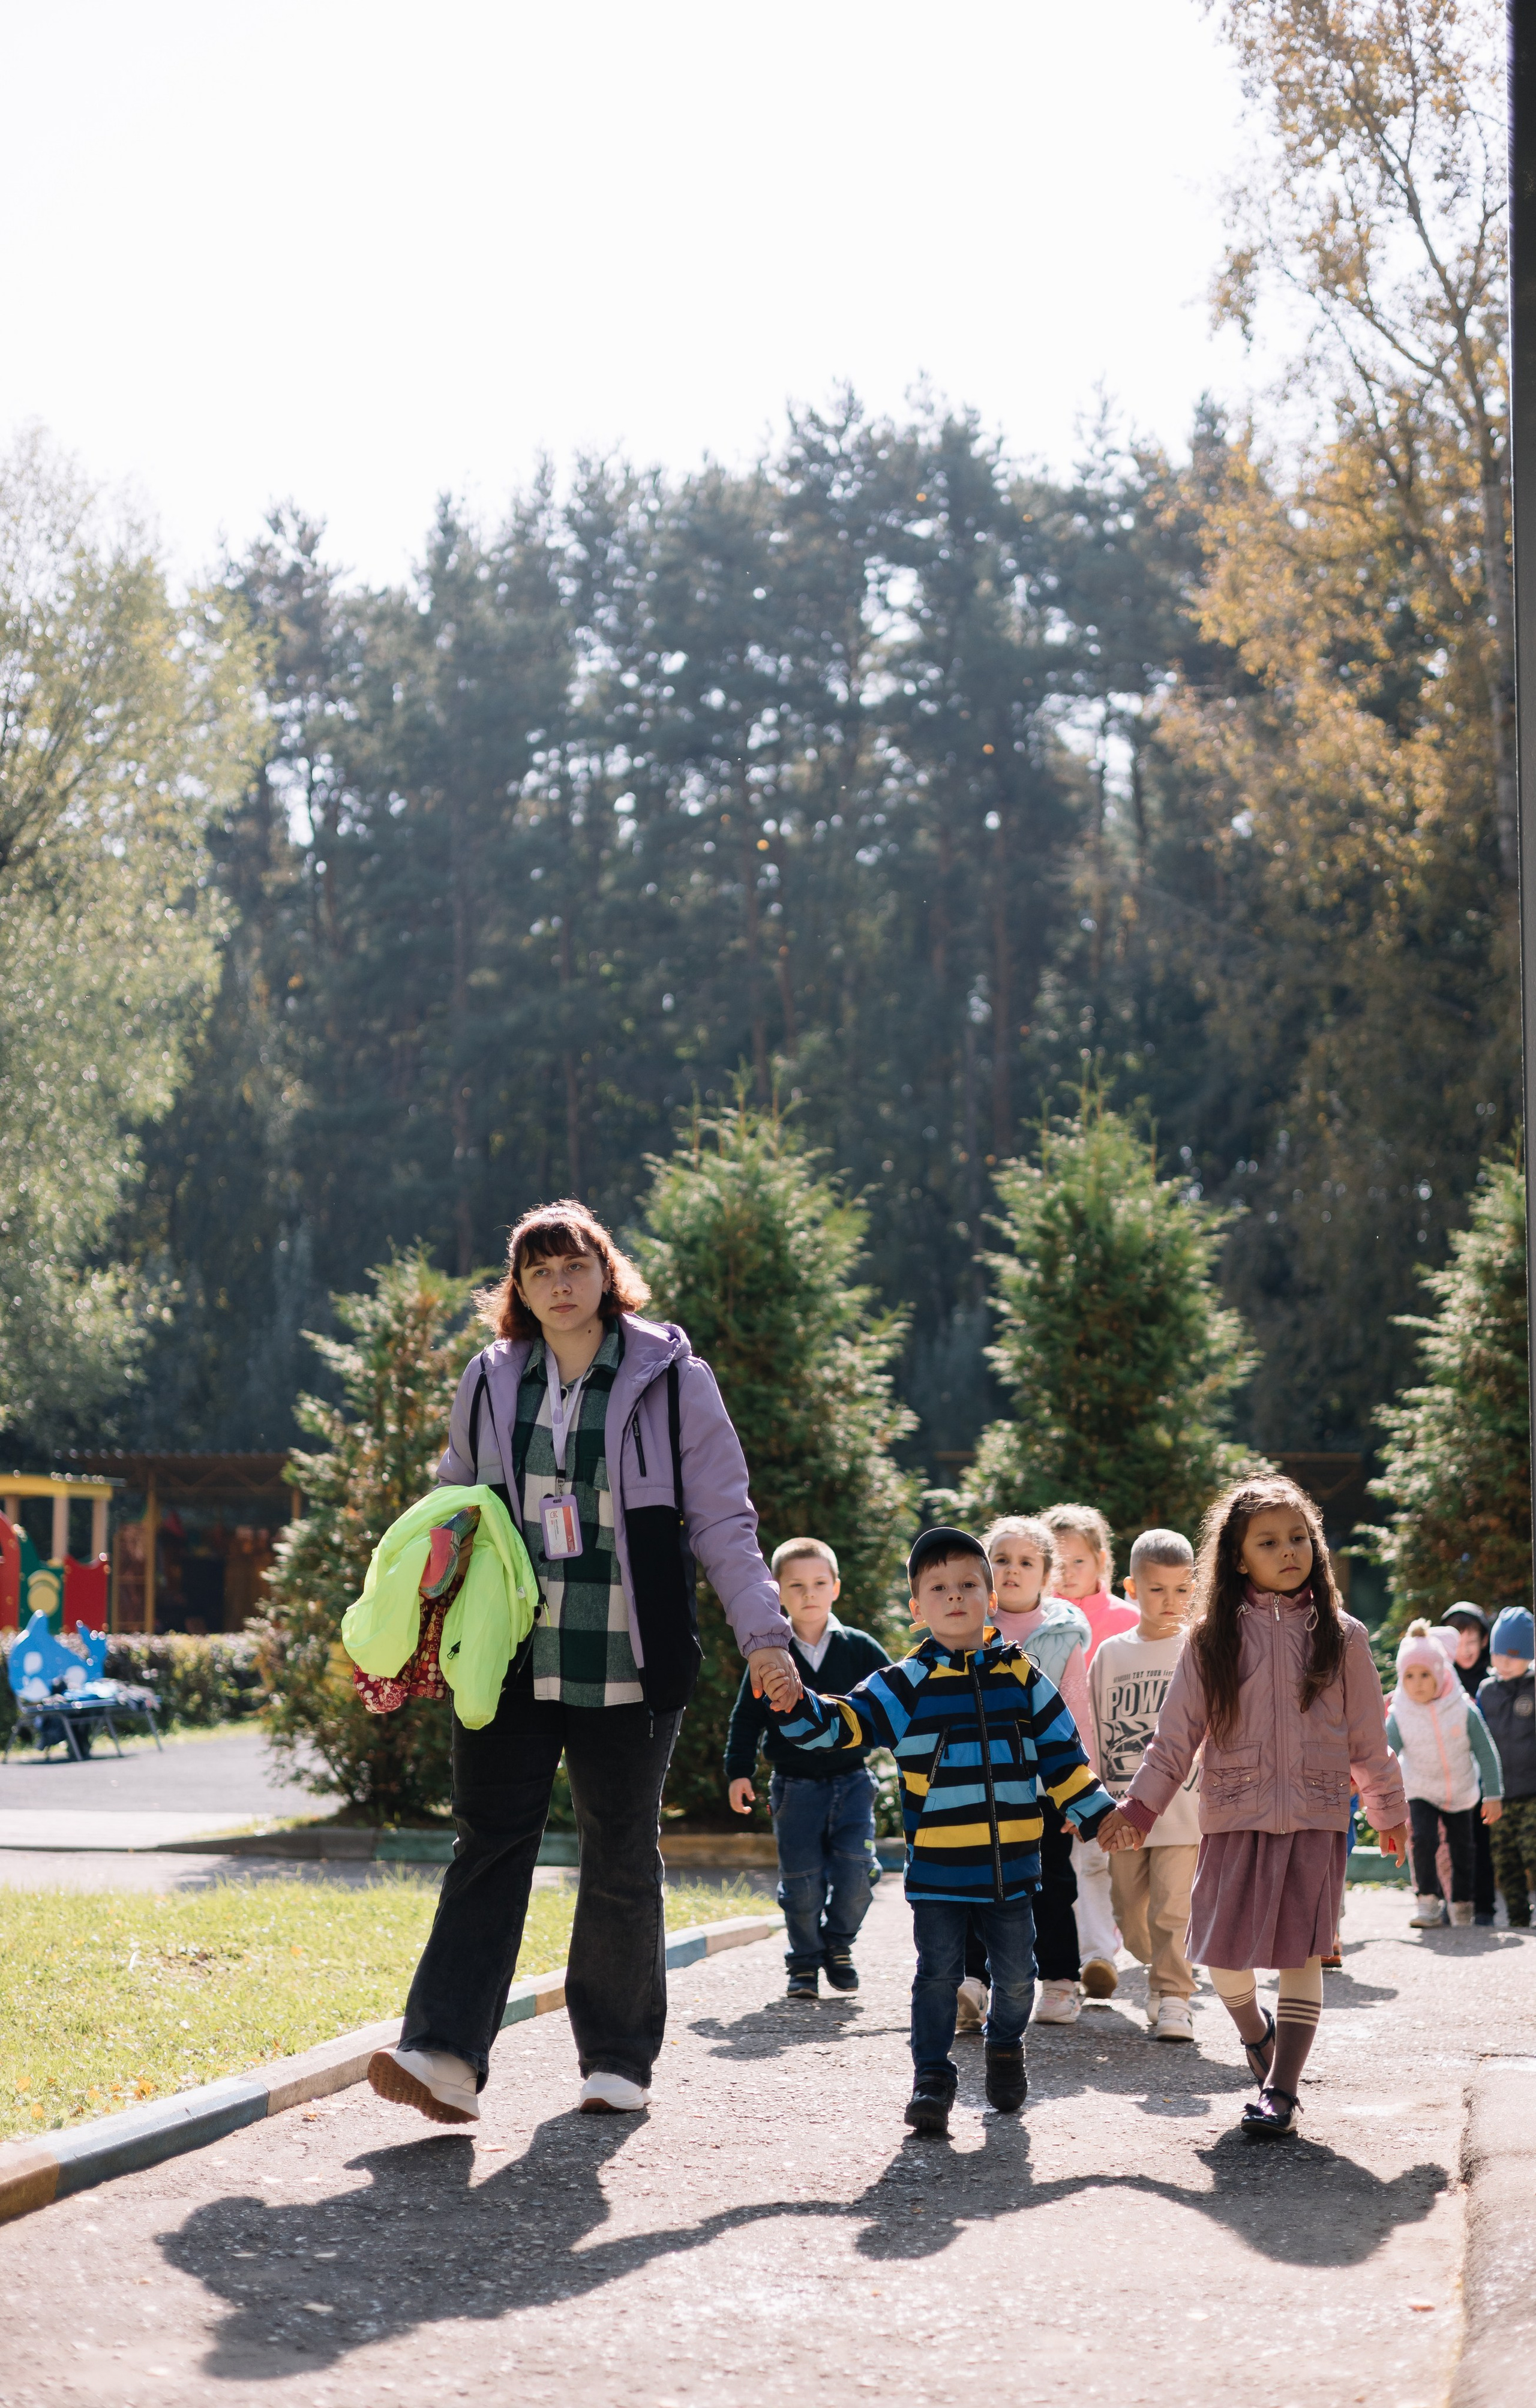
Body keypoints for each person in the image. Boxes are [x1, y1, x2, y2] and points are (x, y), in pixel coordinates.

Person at [369, 1199, 802, 2126]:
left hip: (630, 1655)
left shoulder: (673, 1378)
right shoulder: (491, 1379)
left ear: (607, 1275)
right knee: (490, 1841)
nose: (560, 1284)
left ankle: (615, 2059)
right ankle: (444, 2052)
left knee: (618, 1853)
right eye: (539, 1271)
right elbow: (460, 1494)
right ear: (518, 1290)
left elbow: (724, 1518)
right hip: (511, 1654)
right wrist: (428, 1573)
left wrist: (765, 1637)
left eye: (576, 1266)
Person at [766, 1526, 1130, 2137]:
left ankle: (1005, 2047)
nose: (955, 1595)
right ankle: (931, 2078)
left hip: (1014, 1868)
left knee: (1017, 1980)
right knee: (937, 1975)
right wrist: (797, 1704)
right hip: (938, 1871)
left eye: (968, 1584)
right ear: (916, 1609)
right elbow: (845, 1722)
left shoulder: (1022, 1678)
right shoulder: (905, 1684)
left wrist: (1100, 1815)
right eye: (938, 1587)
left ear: (990, 1598)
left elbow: (1063, 1757)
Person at [1114, 1476, 1407, 2140]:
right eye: (1269, 1541)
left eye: (1299, 1537)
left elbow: (1368, 1738)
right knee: (1223, 1954)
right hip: (1236, 1811)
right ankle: (1255, 2033)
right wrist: (1138, 1808)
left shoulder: (1344, 1635)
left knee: (1302, 1952)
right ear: (1238, 1557)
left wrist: (1388, 1811)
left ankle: (1281, 2089)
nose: (1289, 1551)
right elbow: (1174, 1740)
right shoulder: (1208, 1640)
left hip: (1317, 1814)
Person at [724, 1536, 890, 2000]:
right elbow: (747, 1718)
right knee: (801, 1886)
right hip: (795, 1789)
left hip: (853, 1783)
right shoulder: (771, 1654)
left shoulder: (859, 1648)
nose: (809, 1593)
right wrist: (739, 1771)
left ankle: (838, 1944)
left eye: (819, 1583)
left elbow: (897, 1704)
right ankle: (803, 1967)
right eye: (796, 1585)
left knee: (858, 1876)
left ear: (836, 1587)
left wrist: (916, 1758)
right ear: (777, 1592)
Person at [968, 1516, 1091, 2031]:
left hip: (1044, 1790)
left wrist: (1077, 1794)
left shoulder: (1065, 1637)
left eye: (1026, 1562)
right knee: (978, 1884)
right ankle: (972, 1984)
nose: (1012, 1570)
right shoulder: (967, 1629)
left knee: (1053, 1886)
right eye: (1001, 1559)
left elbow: (1078, 1717)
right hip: (979, 1788)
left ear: (1047, 1573)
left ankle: (1061, 1982)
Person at [1090, 1529, 1201, 2041]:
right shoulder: (1110, 1655)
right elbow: (1090, 1728)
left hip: (1186, 1809)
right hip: (1122, 1808)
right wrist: (1087, 1801)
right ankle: (1160, 1968)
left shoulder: (1199, 1650)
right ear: (1132, 1588)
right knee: (1129, 1912)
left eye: (1182, 1590)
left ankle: (1175, 1995)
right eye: (1158, 1589)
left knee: (1172, 1908)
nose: (1171, 1602)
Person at [1042, 1503, 1137, 2000]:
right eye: (1057, 1563)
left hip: (1118, 1765)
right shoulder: (1046, 1622)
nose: (1068, 1573)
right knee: (1068, 1862)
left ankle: (1105, 1948)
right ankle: (1092, 1955)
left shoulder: (1128, 1620)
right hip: (1061, 1764)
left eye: (1078, 1561)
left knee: (1102, 1861)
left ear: (1102, 1562)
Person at [1386, 1620, 1503, 1929]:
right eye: (1409, 1676)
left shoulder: (1463, 1709)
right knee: (1422, 1840)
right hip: (1420, 1787)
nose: (1418, 1684)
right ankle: (1427, 1902)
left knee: (1463, 1849)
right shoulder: (1400, 1714)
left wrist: (1493, 1794)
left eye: (1425, 1675)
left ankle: (1462, 1905)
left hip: (1461, 1790)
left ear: (1440, 1673)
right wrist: (1378, 1794)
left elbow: (1486, 1752)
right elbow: (1384, 1755)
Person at [1477, 1607, 1536, 1929]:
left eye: (1515, 1655)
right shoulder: (1488, 1690)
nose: (1505, 1661)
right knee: (1506, 1859)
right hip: (1499, 1793)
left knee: (1532, 1851)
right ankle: (1517, 1917)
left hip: (1532, 1793)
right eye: (1500, 1653)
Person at [1439, 1604, 1498, 1923]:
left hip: (1480, 1778)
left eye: (1472, 1642)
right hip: (1449, 1777)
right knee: (1452, 1845)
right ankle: (1454, 1902)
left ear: (1484, 1642)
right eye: (1458, 1643)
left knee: (1481, 1841)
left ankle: (1486, 1907)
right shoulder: (1440, 1681)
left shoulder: (1492, 1683)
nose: (1465, 1650)